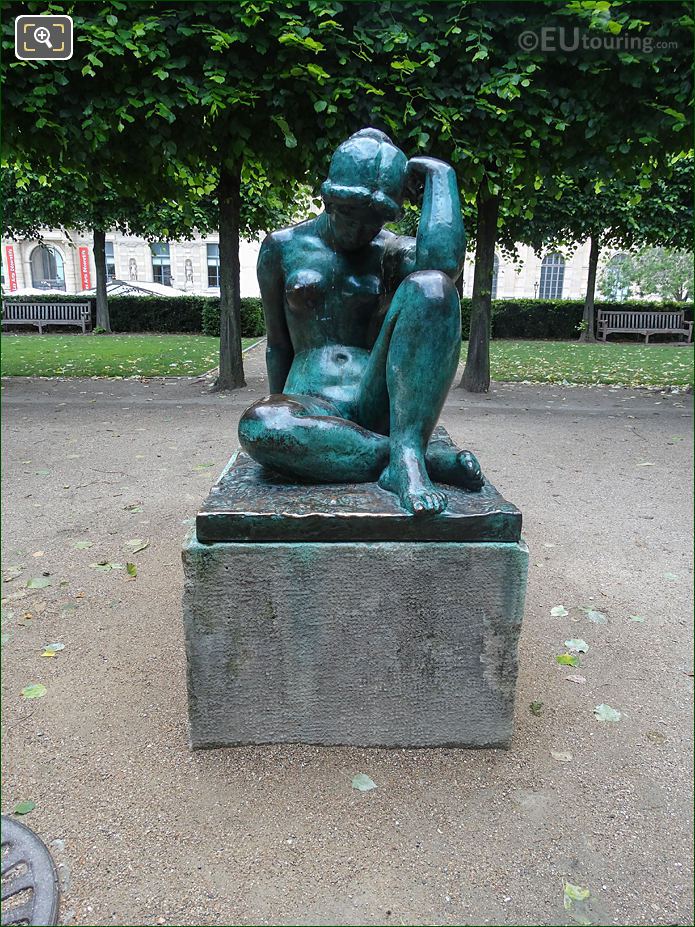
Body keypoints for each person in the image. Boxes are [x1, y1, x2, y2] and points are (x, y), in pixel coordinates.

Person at [238, 128, 484, 515]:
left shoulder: (389, 251)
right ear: (329, 198)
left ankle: (404, 454)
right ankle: (415, 456)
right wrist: (282, 406)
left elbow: (444, 266)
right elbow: (278, 344)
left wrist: (440, 178)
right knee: (260, 425)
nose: (358, 229)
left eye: (373, 220)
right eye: (349, 213)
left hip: (376, 397)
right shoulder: (281, 248)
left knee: (432, 287)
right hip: (312, 401)